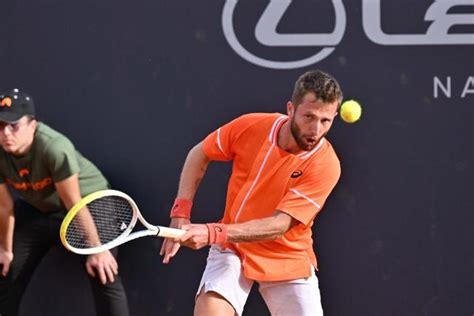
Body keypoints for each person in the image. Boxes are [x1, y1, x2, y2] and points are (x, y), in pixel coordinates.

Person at [160, 70, 343, 315]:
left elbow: (279, 225)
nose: (315, 130)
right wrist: (181, 211)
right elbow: (199, 153)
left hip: (287, 256)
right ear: (291, 109)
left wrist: (212, 232)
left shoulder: (326, 164)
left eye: (325, 121)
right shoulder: (252, 125)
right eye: (308, 116)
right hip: (233, 246)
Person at [0, 89, 129, 316]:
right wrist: (5, 249)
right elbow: (4, 206)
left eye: (14, 125)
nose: (6, 133)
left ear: (33, 125)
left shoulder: (54, 148)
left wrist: (97, 249)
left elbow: (74, 202)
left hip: (90, 206)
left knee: (102, 271)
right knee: (6, 270)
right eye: (0, 126)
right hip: (42, 211)